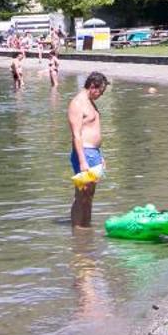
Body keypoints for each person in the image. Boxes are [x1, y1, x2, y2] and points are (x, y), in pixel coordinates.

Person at [67, 72, 110, 226]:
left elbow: (93, 129)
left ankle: (86, 228)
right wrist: (83, 161)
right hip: (84, 153)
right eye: (101, 91)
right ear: (93, 86)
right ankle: (78, 231)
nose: (101, 95)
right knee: (81, 195)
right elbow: (76, 135)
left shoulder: (90, 101)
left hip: (94, 154)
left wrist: (101, 155)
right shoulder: (77, 104)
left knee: (89, 196)